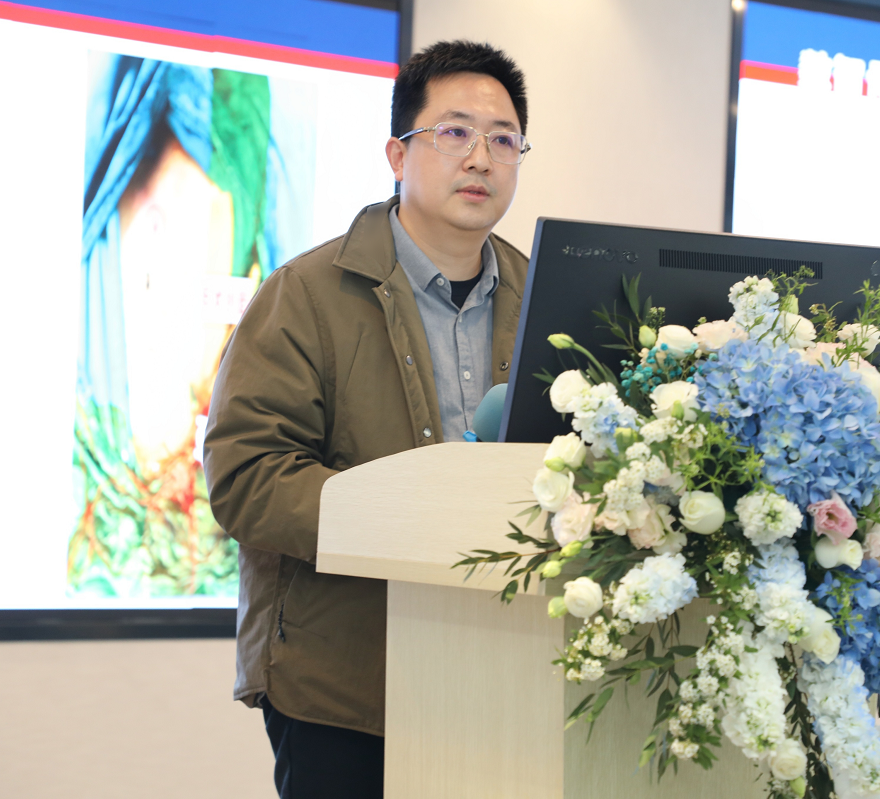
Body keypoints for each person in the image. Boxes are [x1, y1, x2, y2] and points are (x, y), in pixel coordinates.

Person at [203, 40, 531, 798]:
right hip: (345, 682)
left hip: (505, 670)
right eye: (454, 132)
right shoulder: (307, 293)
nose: (480, 158)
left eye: (503, 139)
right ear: (397, 153)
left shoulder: (541, 292)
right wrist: (413, 516)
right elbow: (248, 479)